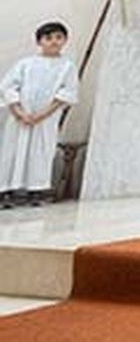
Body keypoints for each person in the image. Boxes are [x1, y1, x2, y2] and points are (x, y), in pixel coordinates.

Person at [0, 22, 78, 207]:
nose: (54, 42)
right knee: (12, 151)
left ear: (65, 40)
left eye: (58, 37)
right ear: (39, 41)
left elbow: (66, 93)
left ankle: (37, 190)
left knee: (40, 152)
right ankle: (6, 190)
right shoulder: (25, 64)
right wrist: (19, 112)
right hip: (20, 117)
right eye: (48, 38)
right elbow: (8, 87)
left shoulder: (67, 67)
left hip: (46, 119)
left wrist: (42, 115)